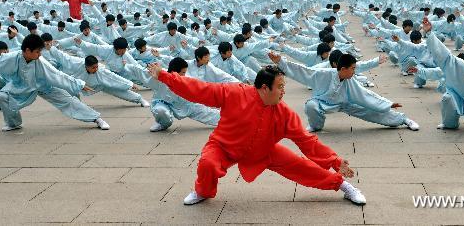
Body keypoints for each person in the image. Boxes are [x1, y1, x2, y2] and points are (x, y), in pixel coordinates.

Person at [147, 61, 367, 206]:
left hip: (263, 151)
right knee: (207, 164)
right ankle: (203, 191)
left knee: (302, 166)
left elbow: (307, 141)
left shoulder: (284, 114)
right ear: (264, 88)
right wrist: (165, 76)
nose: (283, 91)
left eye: (283, 86)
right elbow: (198, 89)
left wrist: (335, 161)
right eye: (279, 87)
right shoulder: (233, 93)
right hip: (224, 146)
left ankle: (343, 186)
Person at [0, 34, 110, 132]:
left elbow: (57, 75)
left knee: (68, 101)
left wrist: (78, 84)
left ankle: (96, 118)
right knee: (3, 96)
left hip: (44, 86)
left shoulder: (40, 61)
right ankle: (13, 123)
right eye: (37, 52)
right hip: (20, 87)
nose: (40, 54)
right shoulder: (9, 58)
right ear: (27, 50)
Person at [271, 52, 419, 132]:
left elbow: (366, 95)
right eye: (353, 69)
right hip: (322, 102)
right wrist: (281, 62)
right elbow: (302, 71)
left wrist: (388, 104)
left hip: (346, 102)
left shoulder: (350, 80)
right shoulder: (323, 73)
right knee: (311, 106)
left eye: (355, 68)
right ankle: (316, 126)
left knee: (370, 110)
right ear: (343, 69)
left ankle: (402, 120)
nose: (355, 71)